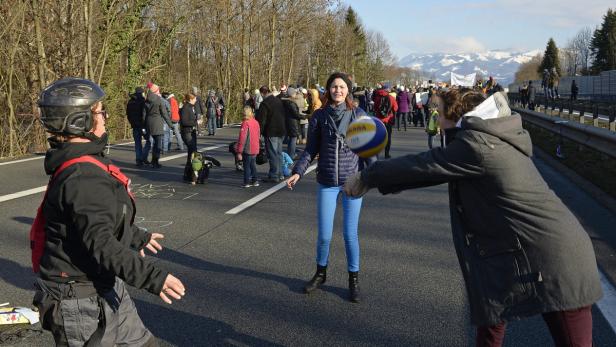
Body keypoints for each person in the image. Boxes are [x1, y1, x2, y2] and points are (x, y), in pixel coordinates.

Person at [344, 88, 602, 347]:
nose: (436, 115)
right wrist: (372, 179)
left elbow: (423, 164)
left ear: (456, 115)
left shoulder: (477, 146)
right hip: (517, 252)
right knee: (491, 320)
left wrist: (368, 176)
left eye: (439, 110)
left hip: (557, 259)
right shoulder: (485, 139)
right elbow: (431, 171)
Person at [34, 78, 185, 346]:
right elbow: (100, 242)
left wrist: (136, 236)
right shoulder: (82, 176)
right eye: (100, 112)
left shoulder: (83, 162)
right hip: (78, 299)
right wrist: (154, 279)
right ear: (79, 121)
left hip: (103, 284)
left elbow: (97, 218)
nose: (105, 118)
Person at [287, 72, 375, 303]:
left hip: (352, 182)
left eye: (342, 86)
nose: (338, 90)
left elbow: (368, 150)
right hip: (326, 181)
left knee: (349, 235)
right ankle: (320, 273)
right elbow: (310, 150)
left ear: (349, 90)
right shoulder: (319, 116)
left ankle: (353, 280)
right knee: (324, 235)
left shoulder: (359, 115)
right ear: (328, 90)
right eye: (334, 86)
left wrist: (375, 175)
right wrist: (297, 171)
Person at [256, 85, 286, 182]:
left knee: (272, 153)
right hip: (281, 130)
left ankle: (274, 174)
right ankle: (280, 173)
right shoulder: (278, 101)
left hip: (271, 131)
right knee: (279, 153)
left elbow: (262, 120)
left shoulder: (265, 103)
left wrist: (258, 133)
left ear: (262, 93)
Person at [143, 83, 172, 168]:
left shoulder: (146, 100)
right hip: (157, 123)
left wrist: (144, 126)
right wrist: (170, 124)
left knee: (149, 142)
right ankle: (155, 161)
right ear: (156, 91)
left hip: (148, 123)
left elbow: (144, 115)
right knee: (158, 144)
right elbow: (164, 113)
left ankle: (145, 159)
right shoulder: (159, 100)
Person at [235, 106, 261, 188]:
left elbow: (243, 138)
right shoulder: (256, 122)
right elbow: (258, 135)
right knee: (253, 165)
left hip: (248, 147)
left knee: (246, 166)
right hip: (255, 147)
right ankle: (255, 180)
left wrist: (239, 151)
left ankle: (246, 182)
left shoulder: (245, 123)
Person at [372, 84, 398, 158]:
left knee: (378, 137)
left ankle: (376, 154)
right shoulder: (391, 97)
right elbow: (396, 108)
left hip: (378, 120)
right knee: (388, 137)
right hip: (387, 120)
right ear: (388, 89)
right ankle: (386, 154)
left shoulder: (377, 97)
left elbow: (375, 108)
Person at [180, 92, 199, 182]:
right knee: (193, 152)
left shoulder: (191, 107)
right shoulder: (185, 108)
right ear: (191, 99)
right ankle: (190, 174)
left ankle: (188, 174)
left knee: (192, 153)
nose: (196, 100)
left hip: (192, 132)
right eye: (195, 98)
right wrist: (196, 123)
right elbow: (184, 122)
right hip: (187, 133)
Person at [126, 87, 146, 166]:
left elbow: (128, 114)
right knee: (149, 140)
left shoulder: (130, 101)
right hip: (142, 125)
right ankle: (143, 158)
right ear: (141, 93)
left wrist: (131, 122)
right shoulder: (142, 101)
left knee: (137, 143)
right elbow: (144, 113)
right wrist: (144, 123)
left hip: (134, 125)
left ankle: (139, 159)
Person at [281, 87, 302, 158]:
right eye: (294, 93)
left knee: (291, 139)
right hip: (293, 123)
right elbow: (296, 114)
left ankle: (290, 154)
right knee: (293, 139)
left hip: (289, 122)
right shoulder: (291, 103)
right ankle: (291, 155)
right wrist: (306, 116)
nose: (295, 94)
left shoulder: (286, 101)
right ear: (292, 94)